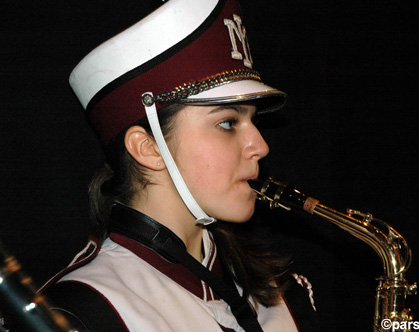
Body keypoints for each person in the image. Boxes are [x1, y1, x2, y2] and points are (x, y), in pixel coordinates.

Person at [40, 0, 319, 331]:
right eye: (228, 123)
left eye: (253, 121)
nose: (260, 146)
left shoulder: (286, 294)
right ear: (148, 149)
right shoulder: (83, 313)